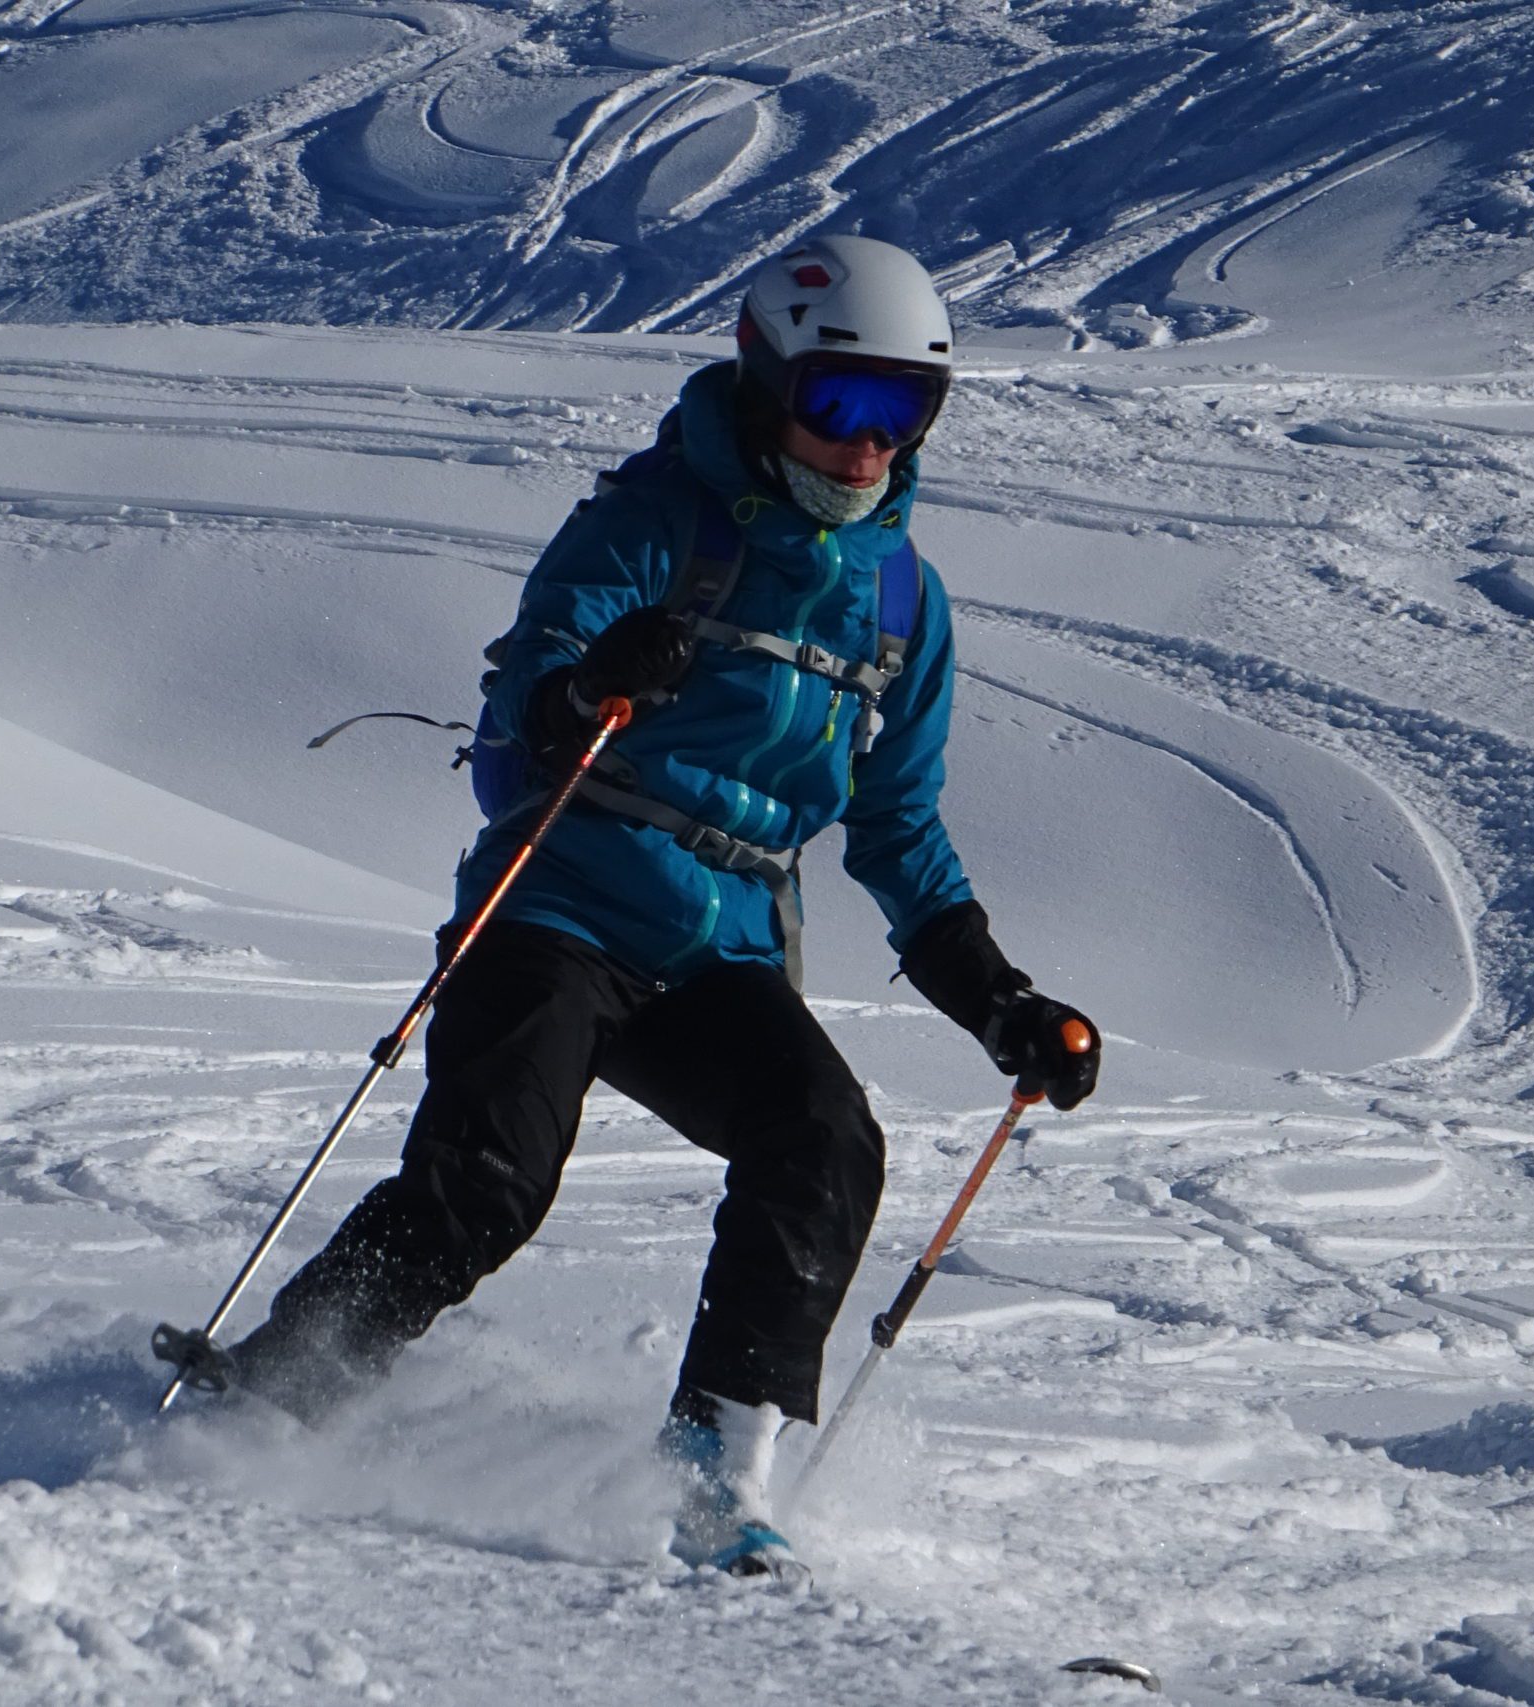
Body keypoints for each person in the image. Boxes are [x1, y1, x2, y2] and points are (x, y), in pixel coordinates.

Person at [222, 236, 1100, 1577]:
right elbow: (532, 691)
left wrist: (1001, 1002)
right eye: (839, 406)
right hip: (560, 906)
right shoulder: (651, 523)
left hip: (719, 949)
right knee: (485, 1188)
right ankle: (274, 1395)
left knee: (824, 1137)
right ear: (766, 382)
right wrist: (591, 686)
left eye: (904, 414)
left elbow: (899, 828)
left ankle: (716, 1465)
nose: (867, 449)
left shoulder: (906, 606)